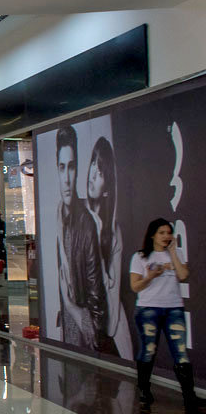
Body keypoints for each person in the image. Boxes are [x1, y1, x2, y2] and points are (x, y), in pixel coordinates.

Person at [130, 218, 201, 413]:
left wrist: (172, 254)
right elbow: (135, 286)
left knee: (181, 352)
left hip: (174, 309)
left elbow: (183, 275)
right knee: (148, 350)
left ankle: (189, 397)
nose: (166, 236)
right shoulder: (140, 256)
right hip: (148, 309)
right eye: (161, 233)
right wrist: (150, 276)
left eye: (168, 233)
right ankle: (144, 389)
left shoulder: (176, 253)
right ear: (153, 234)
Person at [54, 125, 109, 351]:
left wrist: (93, 331)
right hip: (67, 331)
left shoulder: (85, 224)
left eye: (72, 167)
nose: (66, 178)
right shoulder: (59, 217)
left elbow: (96, 291)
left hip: (82, 335)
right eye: (62, 167)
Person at [86, 137, 128, 359]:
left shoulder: (113, 232)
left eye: (100, 172)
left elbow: (113, 292)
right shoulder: (75, 215)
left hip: (107, 316)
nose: (92, 173)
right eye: (93, 162)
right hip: (87, 313)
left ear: (107, 188)